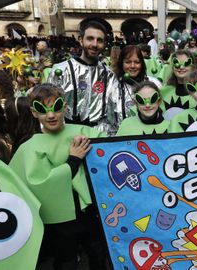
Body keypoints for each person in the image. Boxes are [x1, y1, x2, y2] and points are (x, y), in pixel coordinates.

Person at [9, 83, 107, 270]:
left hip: (90, 212)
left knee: (97, 253)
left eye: (56, 107)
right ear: (34, 113)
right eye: (42, 110)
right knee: (66, 260)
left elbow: (109, 156)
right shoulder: (29, 147)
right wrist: (73, 160)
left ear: (65, 107)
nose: (51, 115)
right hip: (59, 222)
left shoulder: (85, 132)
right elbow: (38, 184)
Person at [47, 20, 120, 134]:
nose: (95, 44)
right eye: (90, 38)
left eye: (99, 40)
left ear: (104, 44)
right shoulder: (61, 71)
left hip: (99, 138)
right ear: (81, 40)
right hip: (67, 137)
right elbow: (48, 107)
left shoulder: (109, 76)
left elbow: (114, 113)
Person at [116, 45, 162, 123]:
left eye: (137, 62)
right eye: (128, 62)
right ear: (121, 63)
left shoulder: (154, 83)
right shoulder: (114, 86)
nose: (132, 66)